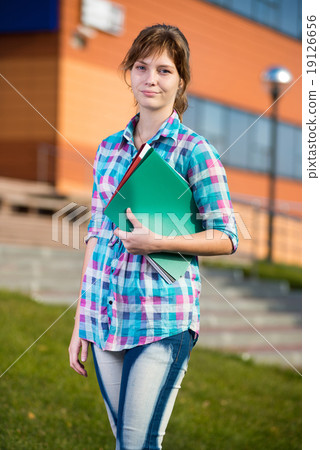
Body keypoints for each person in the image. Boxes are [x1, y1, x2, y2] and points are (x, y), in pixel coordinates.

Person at [69, 24, 238, 450]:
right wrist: (80, 320)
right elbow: (97, 234)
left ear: (180, 80)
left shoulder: (194, 151)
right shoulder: (108, 149)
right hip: (106, 316)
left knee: (137, 443)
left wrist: (158, 242)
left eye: (164, 70)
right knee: (125, 441)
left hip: (163, 318)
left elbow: (227, 236)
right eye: (142, 67)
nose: (151, 79)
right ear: (130, 72)